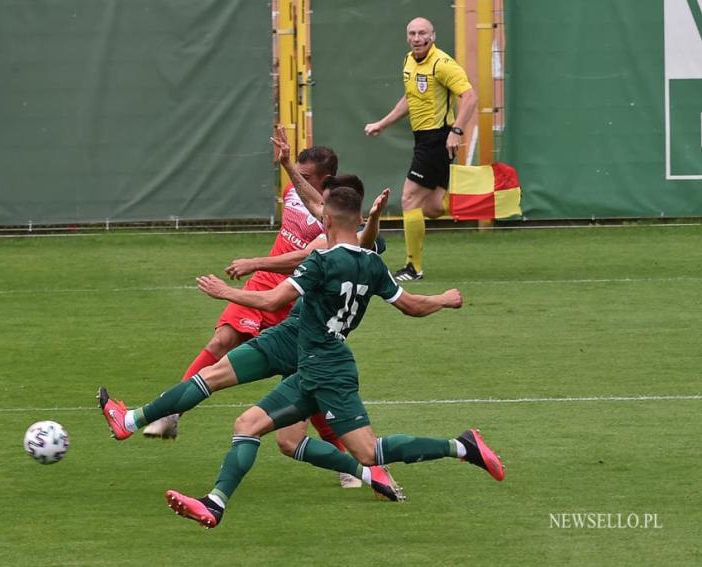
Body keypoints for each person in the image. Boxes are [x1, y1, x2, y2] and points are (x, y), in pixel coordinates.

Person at [165, 186, 504, 528]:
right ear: (358, 219)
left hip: (327, 370)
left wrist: (226, 292)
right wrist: (444, 299)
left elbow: (272, 301)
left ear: (325, 220)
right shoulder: (372, 264)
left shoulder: (321, 261)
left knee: (369, 452)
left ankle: (462, 446)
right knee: (251, 426)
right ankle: (214, 504)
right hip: (311, 366)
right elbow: (411, 306)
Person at [99, 187, 406, 501]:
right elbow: (335, 221)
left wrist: (229, 287)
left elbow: (273, 299)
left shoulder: (336, 252)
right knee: (290, 442)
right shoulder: (357, 250)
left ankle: (133, 422)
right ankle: (369, 472)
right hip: (315, 348)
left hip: (294, 340)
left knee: (214, 380)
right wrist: (289, 163)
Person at [141, 145, 337, 441]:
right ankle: (172, 413)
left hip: (295, 296)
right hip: (262, 283)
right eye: (297, 171)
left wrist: (254, 261)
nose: (298, 178)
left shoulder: (336, 218)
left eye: (307, 175)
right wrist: (286, 163)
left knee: (305, 381)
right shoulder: (291, 192)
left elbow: (303, 259)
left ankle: (345, 457)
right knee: (222, 340)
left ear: (327, 178)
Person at [364, 17, 477, 282]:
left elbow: (470, 97)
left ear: (433, 36)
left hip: (438, 139)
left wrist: (456, 131)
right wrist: (383, 123)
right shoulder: (408, 62)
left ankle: (413, 268)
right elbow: (410, 98)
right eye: (412, 33)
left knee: (409, 200)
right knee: (434, 207)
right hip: (425, 140)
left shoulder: (443, 63)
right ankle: (477, 198)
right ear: (407, 37)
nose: (417, 38)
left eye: (422, 33)